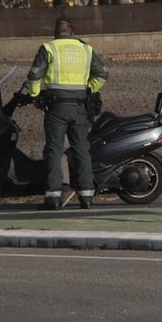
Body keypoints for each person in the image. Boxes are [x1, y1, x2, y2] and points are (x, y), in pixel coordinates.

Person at [22, 17, 109, 210]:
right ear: (72, 31)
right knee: (81, 149)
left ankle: (53, 197)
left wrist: (35, 95)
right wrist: (89, 89)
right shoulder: (86, 49)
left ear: (55, 32)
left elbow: (34, 76)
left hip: (56, 108)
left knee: (54, 150)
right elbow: (103, 74)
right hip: (80, 108)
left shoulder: (48, 48)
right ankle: (87, 196)